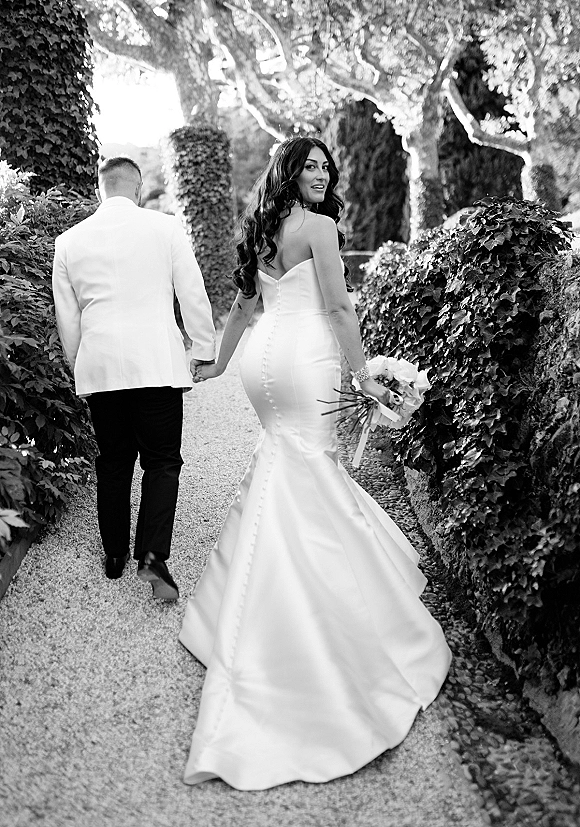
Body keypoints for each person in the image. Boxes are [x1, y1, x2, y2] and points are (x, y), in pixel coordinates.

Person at [179, 137, 451, 789]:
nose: (321, 173)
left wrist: (220, 362)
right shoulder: (322, 228)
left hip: (264, 357)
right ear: (290, 172)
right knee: (310, 468)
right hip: (306, 358)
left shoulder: (265, 226)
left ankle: (238, 607)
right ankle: (302, 620)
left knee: (286, 464)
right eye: (310, 165)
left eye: (327, 165)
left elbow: (246, 306)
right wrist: (363, 376)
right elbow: (337, 307)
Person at [52, 156, 216, 600]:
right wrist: (203, 349)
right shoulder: (164, 229)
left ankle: (114, 555)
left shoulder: (68, 241)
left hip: (101, 366)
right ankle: (152, 555)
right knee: (162, 461)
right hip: (156, 365)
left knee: (113, 461)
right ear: (138, 189)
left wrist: (79, 363)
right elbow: (192, 291)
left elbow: (69, 319)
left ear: (100, 189)